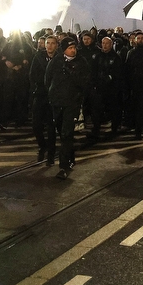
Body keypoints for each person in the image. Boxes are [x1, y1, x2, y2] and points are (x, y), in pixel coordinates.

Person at [45, 35, 91, 179]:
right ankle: (70, 156)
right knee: (60, 130)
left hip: (71, 103)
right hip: (57, 102)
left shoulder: (81, 62)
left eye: (74, 47)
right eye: (70, 48)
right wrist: (52, 94)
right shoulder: (56, 61)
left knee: (66, 133)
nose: (73, 50)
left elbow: (85, 82)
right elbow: (47, 78)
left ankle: (63, 167)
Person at [29, 35, 59, 164]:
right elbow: (32, 74)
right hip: (40, 94)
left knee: (51, 126)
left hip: (54, 96)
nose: (50, 46)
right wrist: (36, 87)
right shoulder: (39, 57)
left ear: (56, 45)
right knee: (36, 125)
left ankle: (51, 153)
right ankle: (42, 145)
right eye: (48, 43)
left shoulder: (60, 58)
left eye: (53, 43)